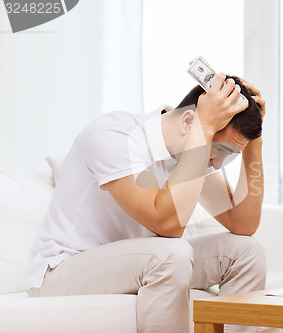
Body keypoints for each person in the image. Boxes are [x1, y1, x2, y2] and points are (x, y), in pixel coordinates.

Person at [26, 73, 267, 333]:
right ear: (189, 121)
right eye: (220, 150)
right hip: (61, 272)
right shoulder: (116, 135)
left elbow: (244, 223)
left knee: (246, 251)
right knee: (171, 254)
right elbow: (168, 225)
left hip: (135, 265)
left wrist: (254, 142)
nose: (217, 164)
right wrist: (205, 129)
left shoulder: (195, 149)